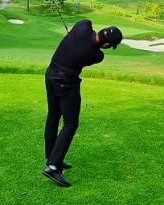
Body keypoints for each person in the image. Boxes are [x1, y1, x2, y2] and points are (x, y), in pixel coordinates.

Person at [43, 19, 123, 187]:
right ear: (107, 44)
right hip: (66, 84)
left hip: (50, 76)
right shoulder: (97, 55)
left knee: (53, 117)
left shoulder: (83, 26)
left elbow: (81, 27)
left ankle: (53, 157)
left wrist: (72, 34)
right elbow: (87, 46)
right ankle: (53, 166)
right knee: (71, 124)